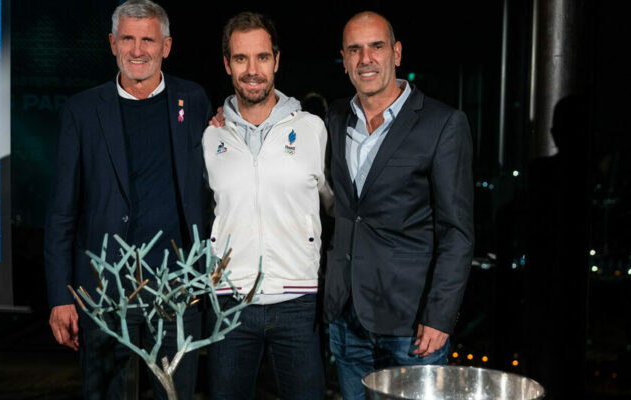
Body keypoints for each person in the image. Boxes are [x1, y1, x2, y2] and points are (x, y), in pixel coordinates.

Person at [43, 1, 212, 399]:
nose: (138, 50)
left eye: (148, 40)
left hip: (177, 290)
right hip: (104, 292)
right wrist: (59, 298)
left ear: (166, 46)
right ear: (112, 43)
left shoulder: (195, 100)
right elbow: (62, 212)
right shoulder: (83, 111)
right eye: (128, 39)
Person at [322, 11, 474, 399]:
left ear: (397, 53)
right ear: (343, 58)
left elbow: (456, 233)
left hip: (413, 326)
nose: (365, 59)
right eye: (354, 50)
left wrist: (439, 316)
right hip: (346, 319)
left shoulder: (442, 123)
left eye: (376, 47)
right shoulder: (334, 118)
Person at [202, 12, 329, 400]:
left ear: (276, 60)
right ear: (227, 64)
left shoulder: (311, 129)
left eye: (261, 57)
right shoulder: (210, 135)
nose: (252, 70)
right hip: (229, 303)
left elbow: (337, 206)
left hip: (298, 301)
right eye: (240, 58)